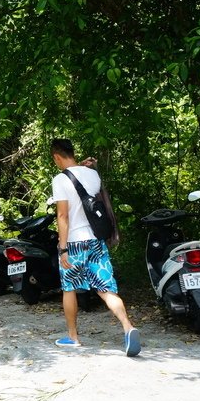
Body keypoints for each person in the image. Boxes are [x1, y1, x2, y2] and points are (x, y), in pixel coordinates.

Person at [49, 138, 140, 356]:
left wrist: (62, 249)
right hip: (95, 241)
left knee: (69, 288)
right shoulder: (93, 174)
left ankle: (73, 337)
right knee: (105, 288)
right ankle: (128, 327)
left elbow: (63, 215)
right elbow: (81, 182)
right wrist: (81, 164)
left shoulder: (60, 180)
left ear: (56, 157)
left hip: (73, 243)